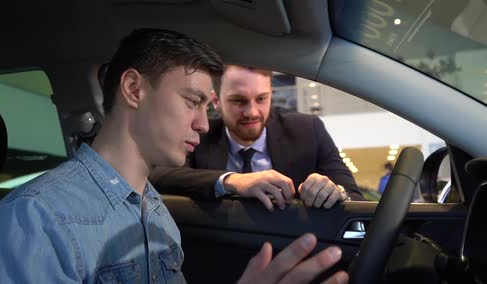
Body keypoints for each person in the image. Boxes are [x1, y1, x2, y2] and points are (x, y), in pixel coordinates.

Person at [0, 29, 348, 283]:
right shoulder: (35, 220)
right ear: (134, 89)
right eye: (192, 102)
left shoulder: (155, 212)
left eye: (207, 107)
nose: (204, 125)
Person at [151, 65, 364, 211]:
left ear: (271, 93)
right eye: (238, 101)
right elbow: (159, 176)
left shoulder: (308, 130)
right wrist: (233, 181)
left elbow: (354, 195)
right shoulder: (201, 136)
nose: (252, 111)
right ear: (215, 101)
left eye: (261, 99)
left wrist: (334, 191)